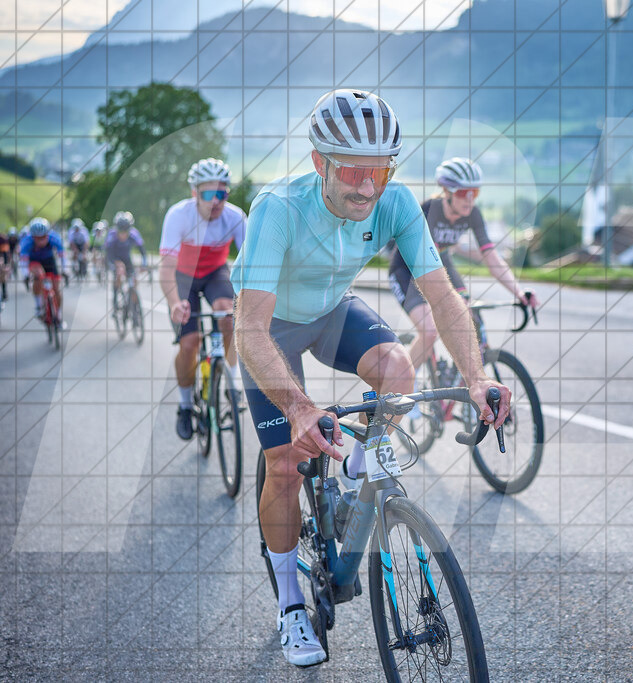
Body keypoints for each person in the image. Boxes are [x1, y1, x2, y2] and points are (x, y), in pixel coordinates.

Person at [231, 89, 511, 668]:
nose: (367, 186)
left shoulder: (396, 201)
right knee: (285, 460)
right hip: (273, 326)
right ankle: (289, 607)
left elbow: (444, 298)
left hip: (332, 312)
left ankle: (362, 472)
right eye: (354, 170)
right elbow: (249, 331)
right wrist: (301, 408)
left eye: (379, 170)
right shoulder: (277, 208)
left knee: (398, 368)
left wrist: (477, 377)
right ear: (319, 163)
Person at [389, 157, 540, 376]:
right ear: (446, 192)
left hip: (440, 264)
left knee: (472, 321)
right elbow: (419, 259)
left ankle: (461, 382)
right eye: (462, 193)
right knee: (430, 331)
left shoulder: (473, 215)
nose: (469, 200)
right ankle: (404, 388)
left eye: (474, 193)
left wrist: (519, 291)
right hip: (407, 269)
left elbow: (492, 258)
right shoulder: (429, 209)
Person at [159, 158, 247, 441]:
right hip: (183, 277)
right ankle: (185, 406)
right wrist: (174, 302)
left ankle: (229, 379)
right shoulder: (178, 215)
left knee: (227, 315)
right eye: (209, 194)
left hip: (213, 274)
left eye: (222, 193)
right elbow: (166, 268)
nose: (216, 201)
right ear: (195, 193)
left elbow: (251, 264)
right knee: (190, 343)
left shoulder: (235, 217)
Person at [19, 217, 65, 320]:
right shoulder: (26, 241)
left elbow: (62, 256)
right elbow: (23, 261)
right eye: (37, 238)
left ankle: (59, 314)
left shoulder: (54, 238)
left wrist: (64, 270)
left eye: (43, 237)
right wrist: (26, 275)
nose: (41, 240)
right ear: (32, 237)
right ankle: (39, 305)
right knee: (38, 275)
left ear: (47, 234)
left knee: (56, 289)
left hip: (49, 260)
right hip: (34, 261)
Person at [105, 212, 148, 294]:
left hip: (127, 258)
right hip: (114, 257)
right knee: (118, 275)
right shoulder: (111, 235)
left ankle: (132, 296)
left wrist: (144, 264)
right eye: (121, 231)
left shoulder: (134, 234)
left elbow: (142, 250)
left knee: (134, 278)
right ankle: (115, 295)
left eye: (126, 231)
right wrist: (117, 264)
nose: (123, 234)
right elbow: (108, 253)